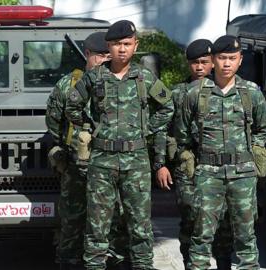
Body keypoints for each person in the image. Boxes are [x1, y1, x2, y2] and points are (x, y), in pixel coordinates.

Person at [65, 20, 174, 270]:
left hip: (135, 162)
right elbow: (72, 105)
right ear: (108, 47)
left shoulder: (144, 77)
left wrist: (146, 129)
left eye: (126, 44)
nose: (121, 49)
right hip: (102, 162)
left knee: (140, 228)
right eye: (116, 45)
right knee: (97, 229)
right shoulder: (95, 76)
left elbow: (167, 106)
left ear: (135, 46)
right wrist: (90, 128)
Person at [174, 35, 266, 269]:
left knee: (246, 238)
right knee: (201, 237)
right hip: (208, 174)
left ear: (240, 60)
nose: (226, 63)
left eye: (232, 58)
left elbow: (262, 129)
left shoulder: (251, 93)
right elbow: (182, 132)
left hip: (243, 175)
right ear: (213, 60)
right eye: (222, 58)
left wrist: (249, 158)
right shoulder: (195, 93)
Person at [45, 31, 119, 270]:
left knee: (113, 220)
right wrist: (66, 148)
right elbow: (54, 121)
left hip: (110, 166)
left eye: (109, 56)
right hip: (76, 168)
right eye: (100, 56)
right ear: (87, 54)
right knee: (72, 222)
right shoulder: (68, 84)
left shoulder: (117, 82)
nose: (106, 61)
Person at [168, 39, 233, 269]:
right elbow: (165, 130)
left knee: (224, 222)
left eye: (204, 62)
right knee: (192, 219)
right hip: (189, 168)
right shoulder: (178, 93)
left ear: (213, 63)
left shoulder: (228, 93)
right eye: (194, 63)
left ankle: (224, 263)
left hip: (219, 168)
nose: (199, 67)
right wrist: (162, 164)